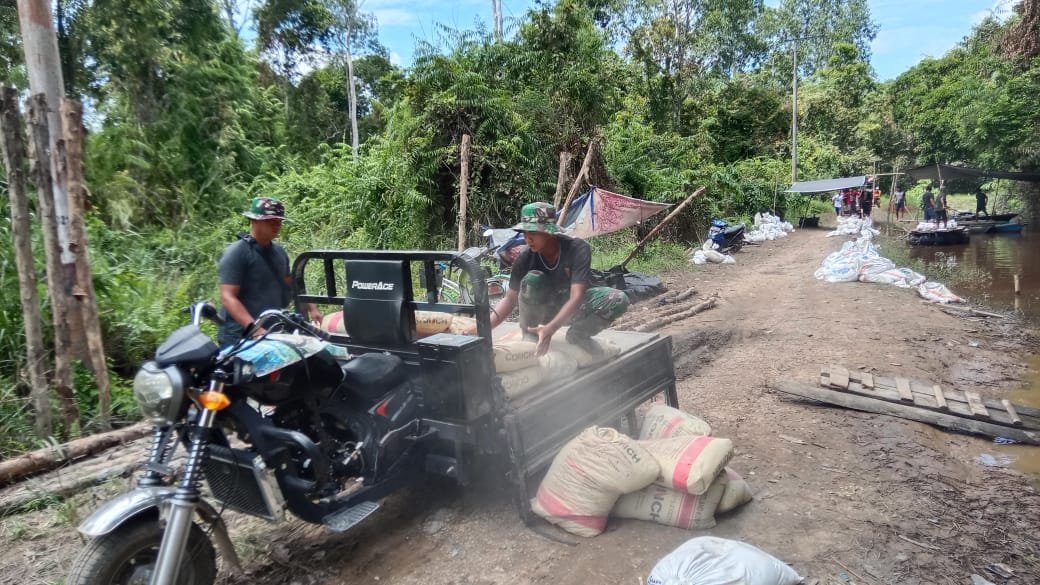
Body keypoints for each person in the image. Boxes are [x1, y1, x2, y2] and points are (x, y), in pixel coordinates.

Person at [476, 202, 629, 356]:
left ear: (549, 231)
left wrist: (551, 329)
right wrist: (483, 329)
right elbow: (510, 299)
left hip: (573, 309)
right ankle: (531, 334)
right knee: (532, 279)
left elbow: (577, 297)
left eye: (533, 232)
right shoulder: (525, 257)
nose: (528, 238)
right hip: (544, 310)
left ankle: (578, 335)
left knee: (617, 299)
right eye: (525, 233)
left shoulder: (577, 249)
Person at [217, 196, 322, 346]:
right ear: (255, 221)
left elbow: (292, 284)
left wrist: (312, 308)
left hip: (272, 332)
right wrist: (254, 329)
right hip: (240, 337)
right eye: (270, 221)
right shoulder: (238, 253)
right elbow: (228, 297)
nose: (276, 226)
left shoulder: (279, 253)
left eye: (279, 221)